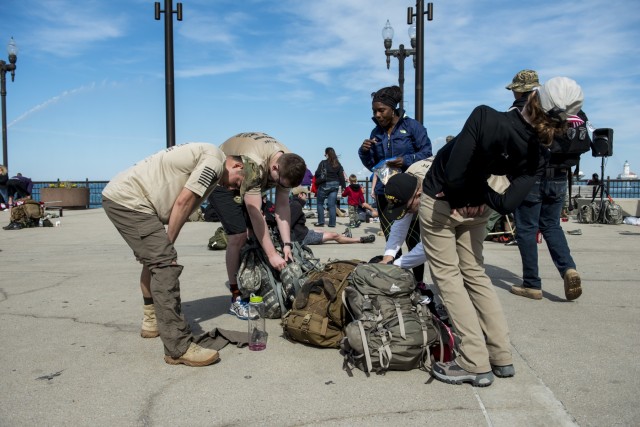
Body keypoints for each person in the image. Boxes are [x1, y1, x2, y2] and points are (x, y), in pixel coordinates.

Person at [413, 76, 585, 386]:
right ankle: (501, 356)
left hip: (441, 202)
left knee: (449, 279)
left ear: (533, 97)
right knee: (475, 274)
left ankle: (473, 362)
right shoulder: (539, 153)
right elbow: (507, 204)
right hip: (478, 211)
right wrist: (480, 197)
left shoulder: (485, 117)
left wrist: (465, 195)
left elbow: (453, 173)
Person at [102, 143, 246, 367]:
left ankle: (152, 322)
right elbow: (183, 202)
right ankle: (178, 347)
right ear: (236, 165)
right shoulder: (215, 161)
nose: (234, 189)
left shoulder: (206, 155)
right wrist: (167, 246)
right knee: (165, 265)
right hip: (131, 201)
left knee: (156, 260)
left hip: (125, 197)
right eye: (238, 182)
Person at [210, 132, 307, 319]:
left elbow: (282, 206)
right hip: (223, 178)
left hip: (250, 179)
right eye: (277, 182)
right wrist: (272, 255)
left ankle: (253, 283)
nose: (278, 186)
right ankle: (236, 298)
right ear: (275, 167)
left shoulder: (289, 161)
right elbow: (255, 213)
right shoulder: (253, 166)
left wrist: (287, 245)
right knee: (238, 236)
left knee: (259, 236)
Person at [510, 76, 589, 302]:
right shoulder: (574, 113)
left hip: (532, 176)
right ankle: (568, 269)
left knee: (526, 228)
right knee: (552, 226)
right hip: (560, 178)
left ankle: (532, 284)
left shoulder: (529, 109)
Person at [358, 85, 432, 282]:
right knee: (392, 236)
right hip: (385, 192)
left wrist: (405, 160)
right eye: (374, 111)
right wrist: (364, 152)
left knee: (413, 238)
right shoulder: (376, 131)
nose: (377, 114)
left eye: (381, 110)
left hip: (410, 193)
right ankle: (396, 281)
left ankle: (418, 283)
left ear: (393, 108)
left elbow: (427, 153)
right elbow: (373, 165)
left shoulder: (413, 127)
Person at [289, 186, 375, 245]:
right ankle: (360, 239)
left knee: (321, 230)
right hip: (302, 237)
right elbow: (289, 224)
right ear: (300, 195)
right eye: (305, 195)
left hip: (303, 232)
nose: (307, 197)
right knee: (334, 235)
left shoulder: (294, 204)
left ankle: (345, 236)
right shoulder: (296, 206)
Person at [314, 147, 346, 228]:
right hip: (335, 185)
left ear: (327, 154)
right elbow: (341, 176)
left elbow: (317, 173)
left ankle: (321, 222)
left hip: (325, 184)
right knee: (332, 205)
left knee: (320, 203)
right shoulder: (338, 164)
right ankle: (332, 223)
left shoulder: (323, 162)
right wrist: (343, 186)